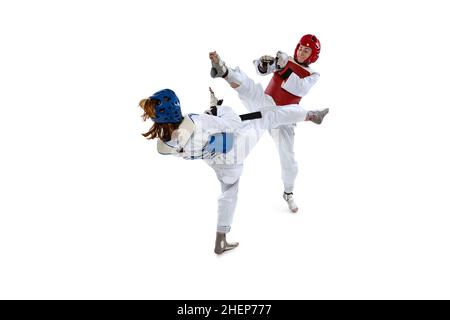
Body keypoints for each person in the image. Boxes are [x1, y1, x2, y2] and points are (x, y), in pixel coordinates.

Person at [139, 84, 327, 254]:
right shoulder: (195, 121)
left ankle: (220, 240)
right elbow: (233, 123)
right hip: (236, 149)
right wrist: (219, 108)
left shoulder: (168, 144)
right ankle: (312, 115)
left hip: (219, 166)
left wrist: (211, 112)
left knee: (229, 192)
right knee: (268, 115)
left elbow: (193, 133)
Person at [210, 34, 326, 213]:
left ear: (312, 55)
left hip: (284, 119)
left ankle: (288, 193)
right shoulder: (285, 59)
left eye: (306, 50)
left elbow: (299, 88)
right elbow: (260, 68)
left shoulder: (313, 74)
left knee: (289, 159)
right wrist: (265, 65)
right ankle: (224, 71)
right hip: (265, 103)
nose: (302, 52)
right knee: (248, 87)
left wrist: (282, 68)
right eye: (301, 48)